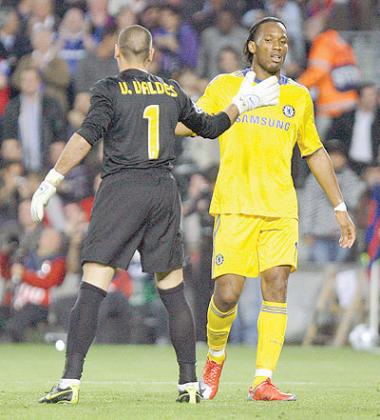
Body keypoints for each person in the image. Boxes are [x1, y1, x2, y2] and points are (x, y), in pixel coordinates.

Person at [30, 24, 280, 405]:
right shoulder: (171, 90)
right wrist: (243, 103)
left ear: (117, 53)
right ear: (151, 56)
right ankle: (189, 385)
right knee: (173, 291)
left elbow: (87, 135)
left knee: (94, 285)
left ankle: (70, 381)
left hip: (121, 189)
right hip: (163, 192)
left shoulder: (108, 90)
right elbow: (210, 128)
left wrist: (51, 179)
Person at [176, 16, 356, 401]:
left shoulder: (298, 96)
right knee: (227, 293)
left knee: (276, 284)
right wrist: (159, 116)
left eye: (284, 40)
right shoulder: (225, 86)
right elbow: (191, 123)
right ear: (252, 46)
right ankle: (215, 358)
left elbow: (315, 152)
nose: (278, 46)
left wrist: (339, 206)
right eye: (269, 39)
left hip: (279, 208)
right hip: (235, 205)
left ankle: (262, 380)